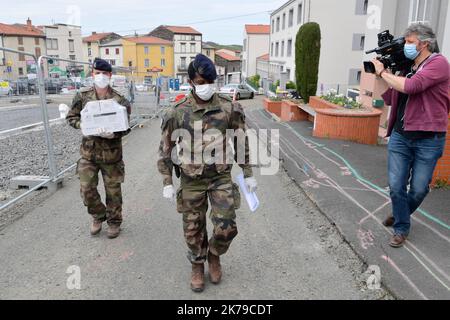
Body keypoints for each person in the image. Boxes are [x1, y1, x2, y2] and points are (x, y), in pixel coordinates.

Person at [157, 54, 257, 292]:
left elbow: (241, 142)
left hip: (220, 177)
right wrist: (167, 181)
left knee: (226, 227)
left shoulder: (227, 108)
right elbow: (165, 149)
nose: (206, 86)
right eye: (201, 82)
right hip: (192, 181)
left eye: (210, 81)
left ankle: (214, 254)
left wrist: (248, 172)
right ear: (191, 82)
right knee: (193, 229)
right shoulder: (177, 112)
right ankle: (197, 264)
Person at [372, 23, 449, 248]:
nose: (406, 46)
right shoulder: (406, 67)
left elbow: (413, 87)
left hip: (429, 138)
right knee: (396, 186)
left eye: (410, 42)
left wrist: (383, 72)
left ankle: (399, 214)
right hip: (400, 137)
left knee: (418, 189)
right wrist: (380, 76)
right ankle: (401, 228)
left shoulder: (439, 63)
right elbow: (386, 97)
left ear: (425, 43)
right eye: (405, 41)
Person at [66, 58, 132, 239]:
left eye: (104, 73)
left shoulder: (120, 100)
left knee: (113, 192)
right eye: (97, 73)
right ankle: (98, 216)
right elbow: (71, 117)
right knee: (87, 189)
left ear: (110, 75)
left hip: (112, 155)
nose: (101, 76)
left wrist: (114, 134)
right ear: (92, 74)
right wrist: (83, 125)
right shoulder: (82, 96)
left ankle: (114, 222)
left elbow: (126, 126)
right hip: (89, 153)